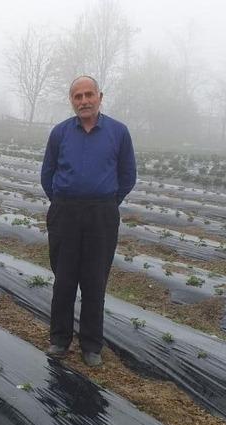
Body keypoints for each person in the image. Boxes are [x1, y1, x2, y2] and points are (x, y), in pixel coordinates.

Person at [40, 75, 137, 367]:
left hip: (102, 215)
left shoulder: (118, 132)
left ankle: (91, 345)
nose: (83, 101)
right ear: (72, 101)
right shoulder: (60, 133)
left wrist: (106, 201)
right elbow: (48, 174)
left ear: (100, 96)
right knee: (64, 279)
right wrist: (62, 200)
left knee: (95, 280)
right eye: (77, 97)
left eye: (88, 95)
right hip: (65, 213)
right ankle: (59, 339)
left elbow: (127, 175)